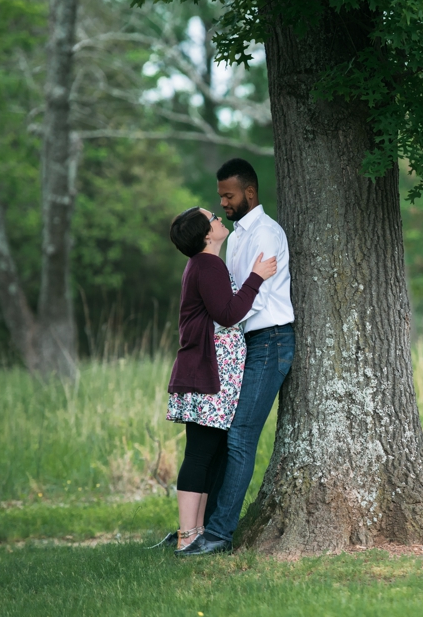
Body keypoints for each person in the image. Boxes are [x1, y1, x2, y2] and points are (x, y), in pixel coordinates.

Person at [193, 158, 295, 555]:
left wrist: (224, 318)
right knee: (223, 436)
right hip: (244, 345)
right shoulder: (235, 238)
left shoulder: (266, 234)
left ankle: (220, 534)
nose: (223, 202)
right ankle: (201, 528)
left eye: (228, 195)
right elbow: (231, 296)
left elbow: (254, 300)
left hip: (270, 342)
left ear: (249, 193)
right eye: (220, 195)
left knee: (240, 438)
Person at [162, 206, 277, 556]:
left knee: (208, 454)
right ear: (206, 234)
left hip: (208, 372)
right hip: (207, 374)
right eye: (212, 218)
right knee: (199, 454)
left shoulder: (202, 264)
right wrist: (257, 277)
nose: (218, 218)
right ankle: (187, 535)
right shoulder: (207, 264)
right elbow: (227, 314)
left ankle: (195, 532)